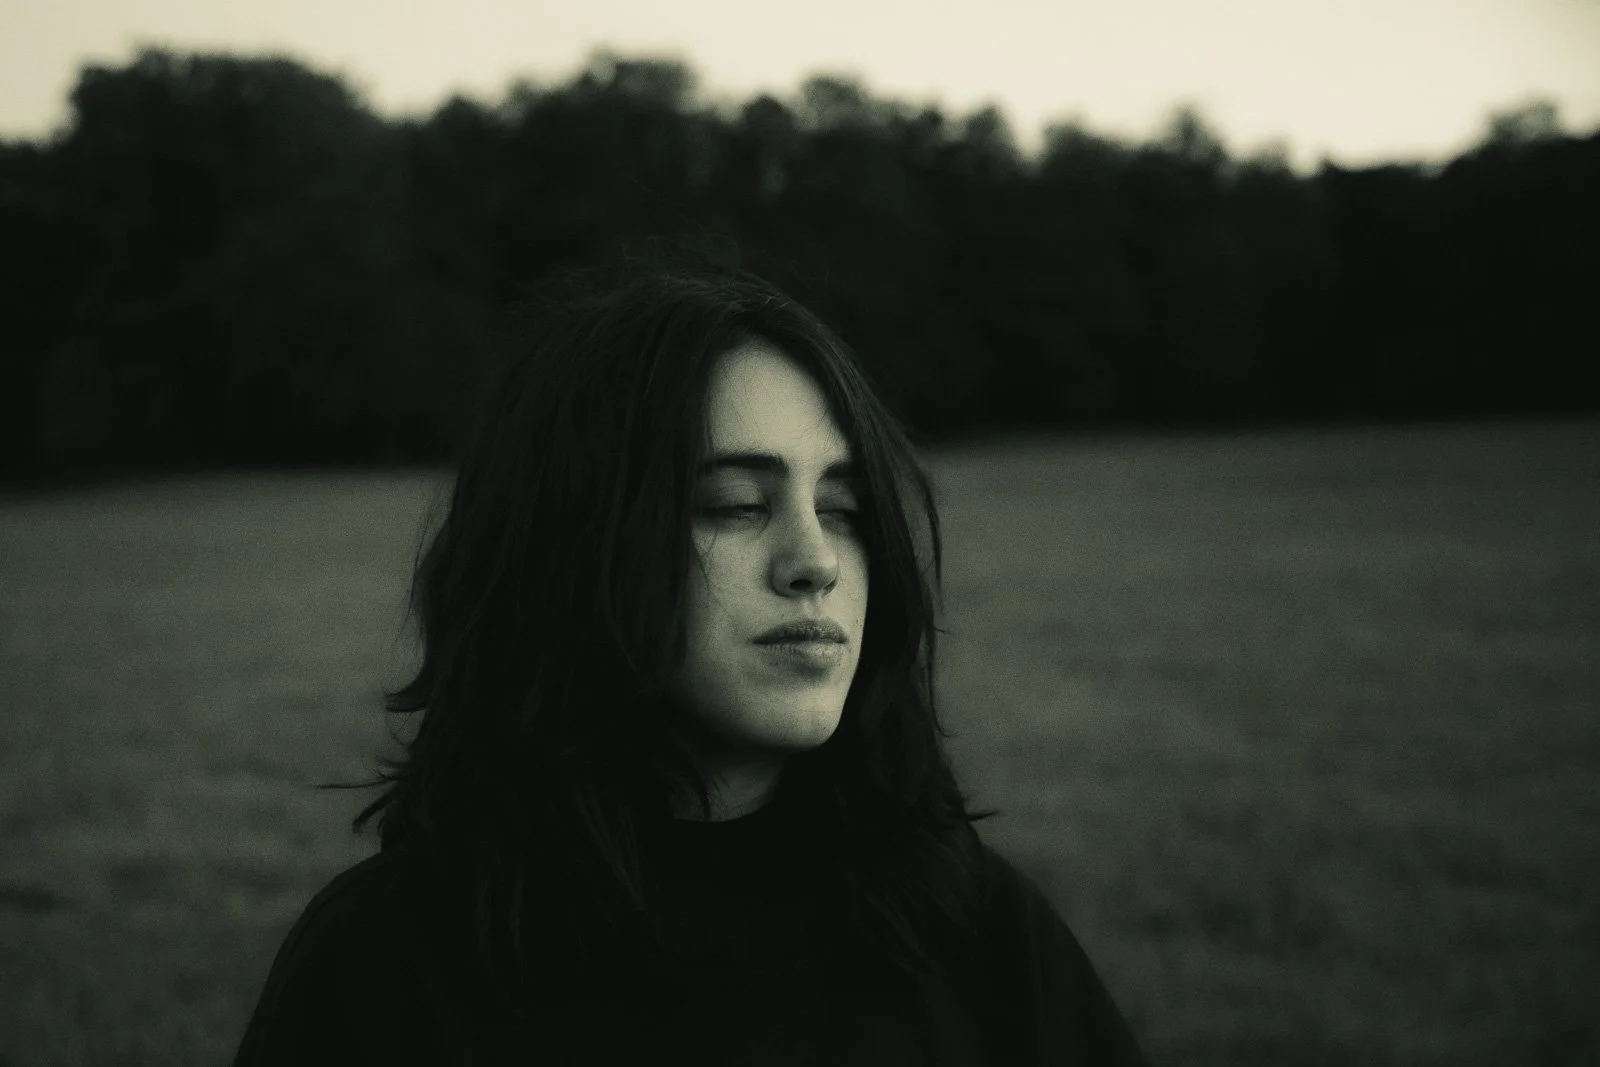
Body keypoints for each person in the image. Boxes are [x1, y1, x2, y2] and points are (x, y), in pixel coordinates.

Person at [233, 252, 1149, 1066]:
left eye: (844, 510)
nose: (816, 561)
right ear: (575, 545)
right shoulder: (386, 968)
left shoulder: (973, 927)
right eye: (736, 505)